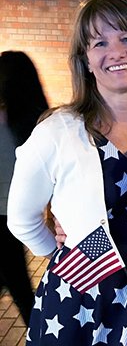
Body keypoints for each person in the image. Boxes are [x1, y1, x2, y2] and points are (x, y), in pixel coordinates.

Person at [7, 0, 127, 345]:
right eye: (100, 43)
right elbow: (21, 219)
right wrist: (65, 251)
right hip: (79, 301)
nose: (116, 51)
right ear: (86, 60)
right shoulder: (57, 130)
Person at [0, 50, 48, 326]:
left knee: (18, 285)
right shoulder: (37, 121)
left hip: (9, 219)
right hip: (14, 217)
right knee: (17, 283)